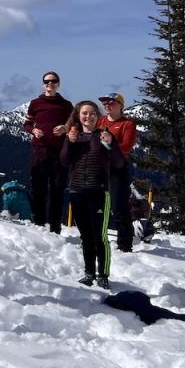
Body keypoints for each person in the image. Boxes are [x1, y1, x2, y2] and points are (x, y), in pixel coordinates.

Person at [60, 100, 124, 289]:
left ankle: (103, 275)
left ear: (98, 116)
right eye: (84, 113)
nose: (88, 117)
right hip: (76, 192)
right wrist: (70, 143)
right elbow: (64, 161)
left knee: (100, 237)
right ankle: (89, 273)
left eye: (92, 113)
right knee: (86, 237)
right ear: (78, 116)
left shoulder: (104, 135)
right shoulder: (73, 136)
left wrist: (110, 144)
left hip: (98, 192)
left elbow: (119, 163)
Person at [23, 71, 74, 234]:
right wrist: (34, 130)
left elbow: (74, 125)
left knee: (57, 189)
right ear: (42, 84)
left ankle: (55, 227)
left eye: (53, 81)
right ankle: (38, 224)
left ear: (58, 84)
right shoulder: (35, 103)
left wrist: (65, 128)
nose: (49, 84)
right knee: (38, 189)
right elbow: (27, 124)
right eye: (46, 81)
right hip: (40, 150)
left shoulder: (66, 105)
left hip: (60, 151)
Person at [98, 92, 139, 252]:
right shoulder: (100, 121)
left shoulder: (127, 124)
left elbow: (126, 148)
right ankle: (97, 239)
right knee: (98, 206)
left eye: (111, 103)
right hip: (100, 169)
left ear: (121, 106)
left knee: (120, 207)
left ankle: (124, 245)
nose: (107, 105)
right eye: (105, 103)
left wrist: (110, 142)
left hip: (118, 170)